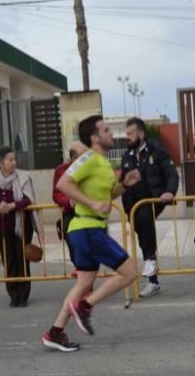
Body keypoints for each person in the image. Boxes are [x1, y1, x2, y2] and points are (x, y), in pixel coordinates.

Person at [42, 115, 140, 352]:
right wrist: (92, 204)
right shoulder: (88, 158)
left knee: (84, 282)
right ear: (94, 137)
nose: (111, 134)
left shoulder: (103, 162)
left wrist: (124, 186)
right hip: (86, 228)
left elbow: (104, 198)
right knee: (130, 272)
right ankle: (85, 307)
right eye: (106, 130)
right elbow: (63, 184)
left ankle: (55, 333)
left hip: (89, 228)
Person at [119, 117, 179, 299]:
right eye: (126, 133)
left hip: (153, 199)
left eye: (130, 133)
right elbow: (123, 182)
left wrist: (170, 192)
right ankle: (153, 281)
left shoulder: (156, 150)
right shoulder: (126, 156)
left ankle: (151, 261)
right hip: (133, 205)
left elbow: (171, 174)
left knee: (145, 218)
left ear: (141, 134)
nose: (126, 137)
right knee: (143, 233)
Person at [0, 146, 38, 307]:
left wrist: (12, 205)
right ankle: (13, 295)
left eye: (14, 159)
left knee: (22, 259)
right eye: (10, 159)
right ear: (0, 163)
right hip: (1, 227)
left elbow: (28, 199)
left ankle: (24, 296)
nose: (13, 162)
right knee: (8, 260)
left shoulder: (23, 177)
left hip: (21, 226)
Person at [54, 146, 83, 270]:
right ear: (72, 159)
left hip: (88, 212)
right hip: (69, 212)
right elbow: (56, 194)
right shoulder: (61, 170)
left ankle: (85, 274)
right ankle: (79, 268)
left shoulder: (92, 169)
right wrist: (68, 201)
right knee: (71, 238)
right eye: (78, 158)